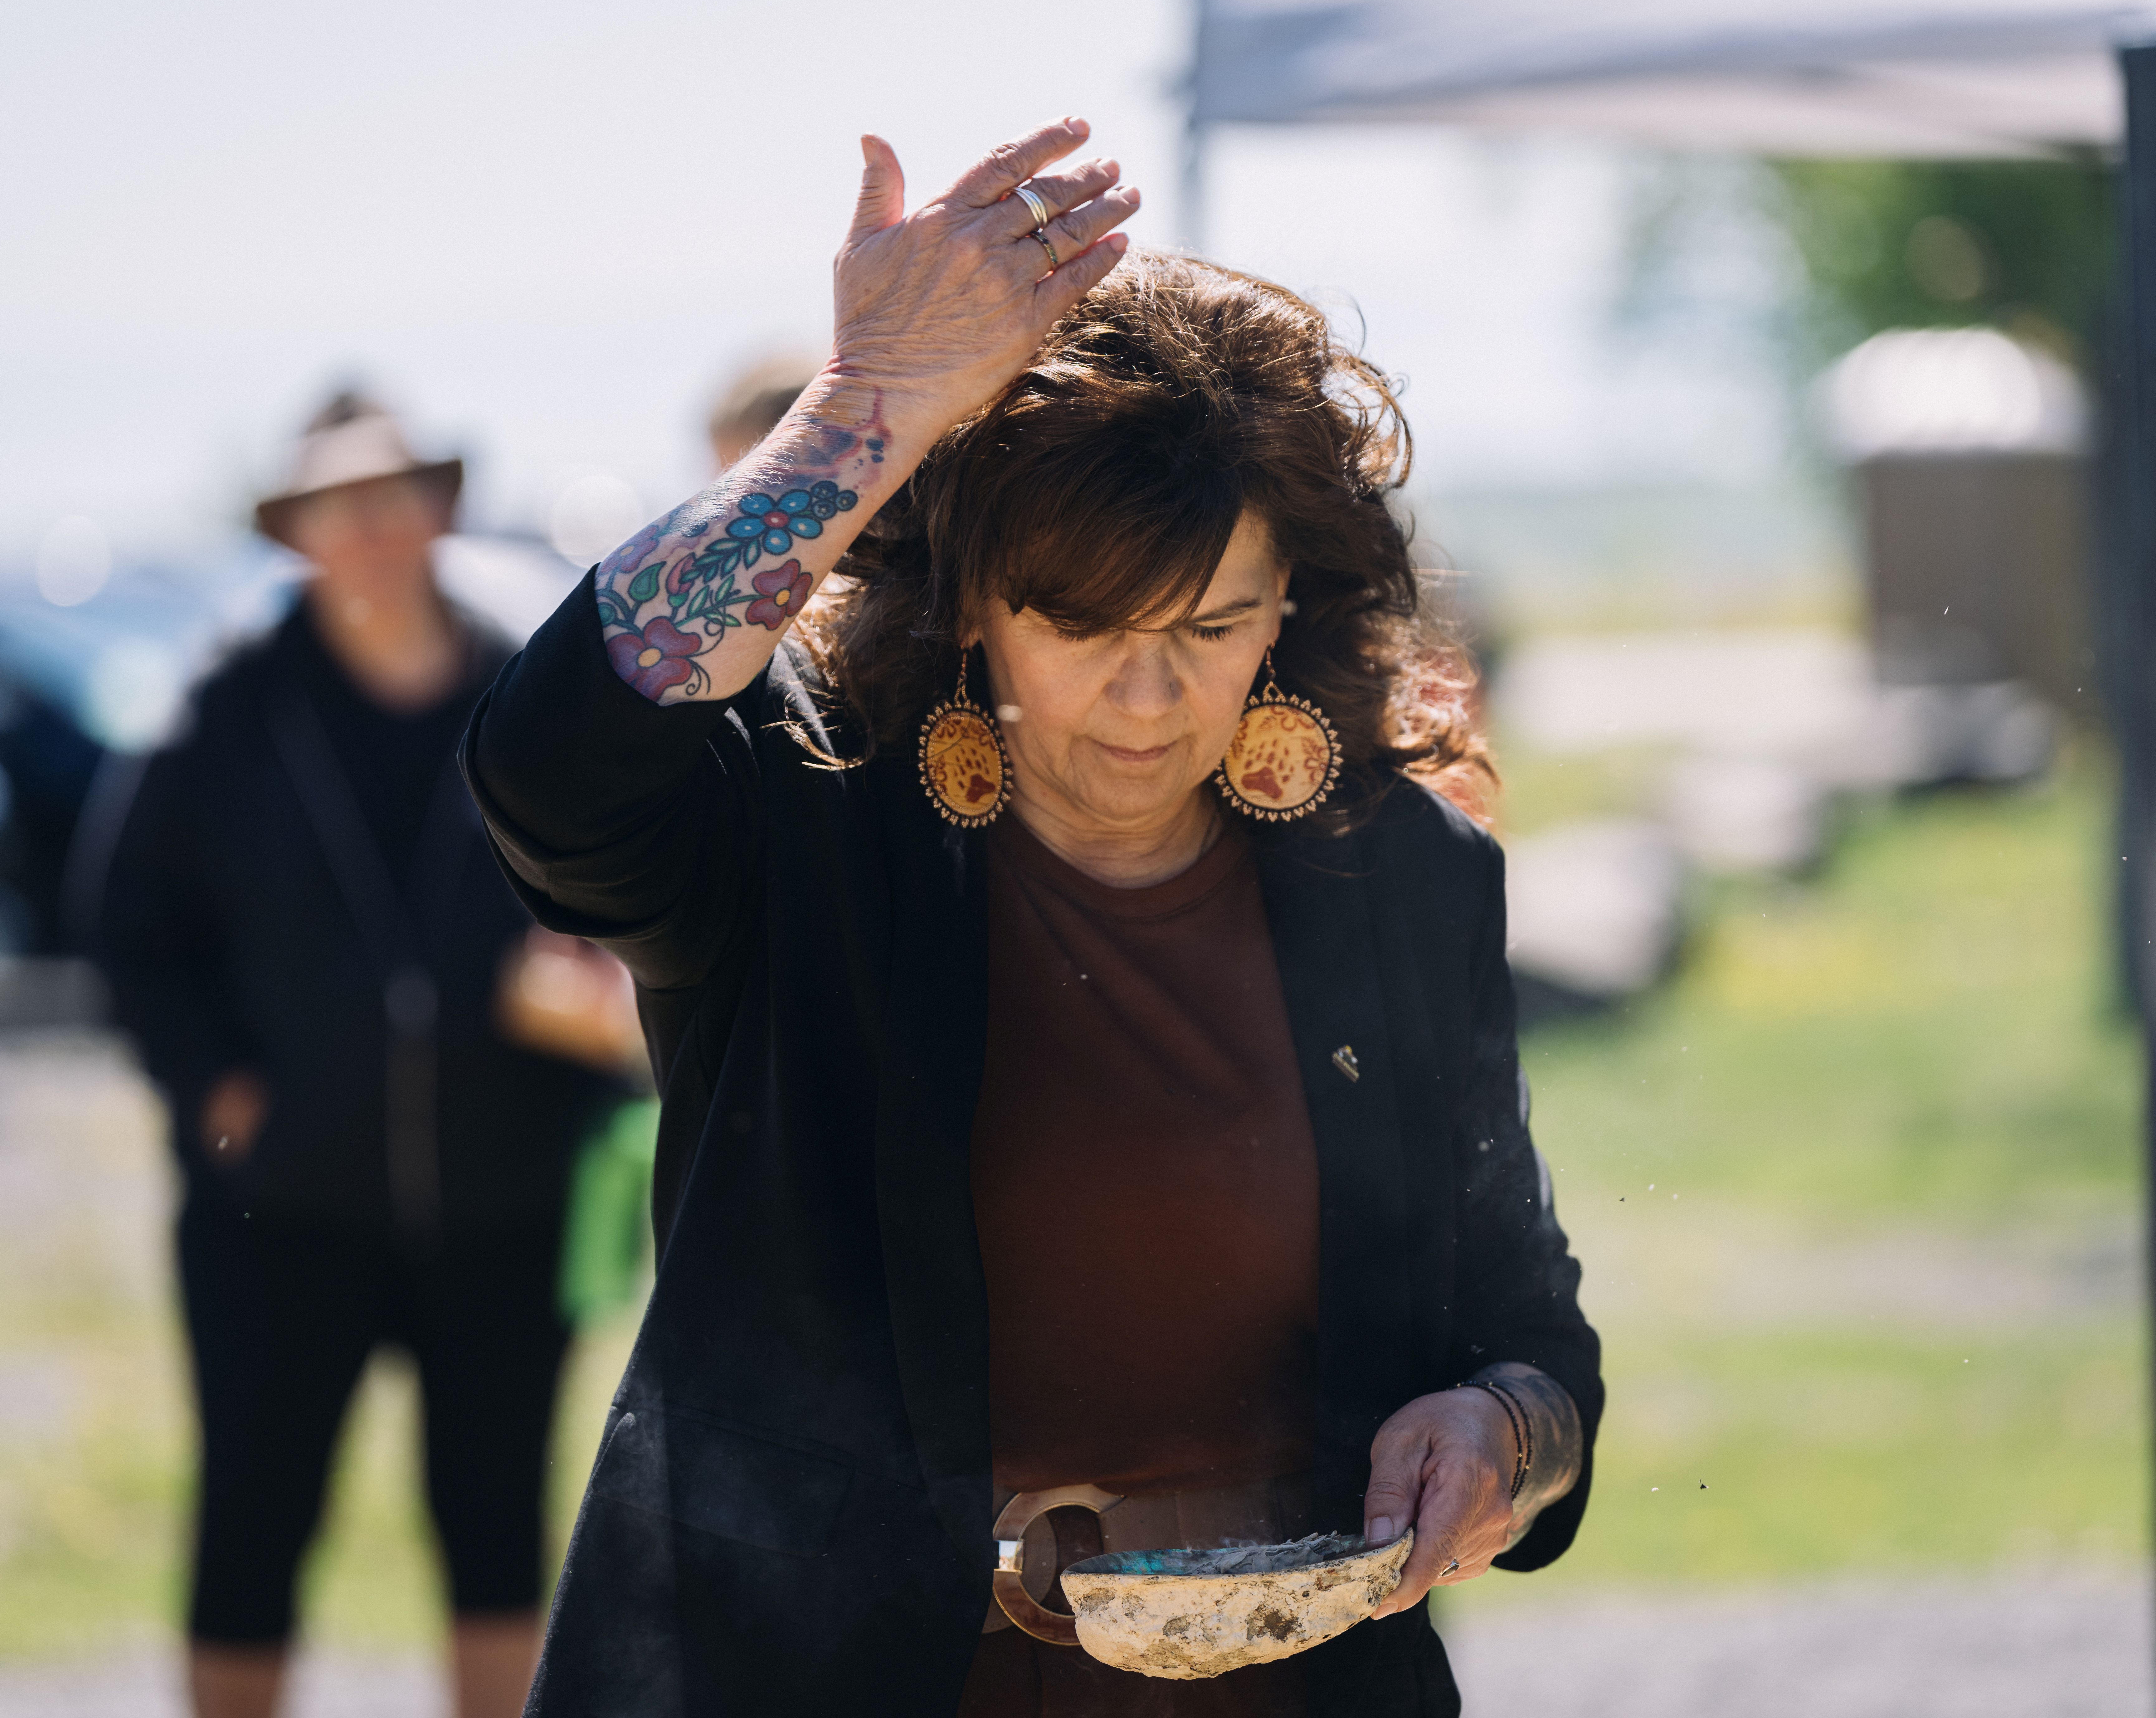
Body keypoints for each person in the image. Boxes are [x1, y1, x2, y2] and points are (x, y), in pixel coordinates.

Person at [464, 118, 1602, 1716]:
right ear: (972, 605)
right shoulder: (805, 826)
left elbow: (1533, 1337)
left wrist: (1504, 1429)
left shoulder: (1404, 873)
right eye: (1081, 625)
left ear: (1292, 606)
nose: (1148, 698)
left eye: (1213, 626)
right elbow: (550, 764)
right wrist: (870, 407)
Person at [98, 395, 633, 1718]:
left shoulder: (528, 686)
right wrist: (213, 1088)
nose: (378, 531)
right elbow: (124, 926)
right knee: (254, 1525)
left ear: (441, 511)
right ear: (300, 537)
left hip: (504, 1198)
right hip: (280, 1208)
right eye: (345, 508)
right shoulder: (228, 706)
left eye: (400, 499)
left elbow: (628, 889)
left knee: (500, 1536)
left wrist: (593, 997)